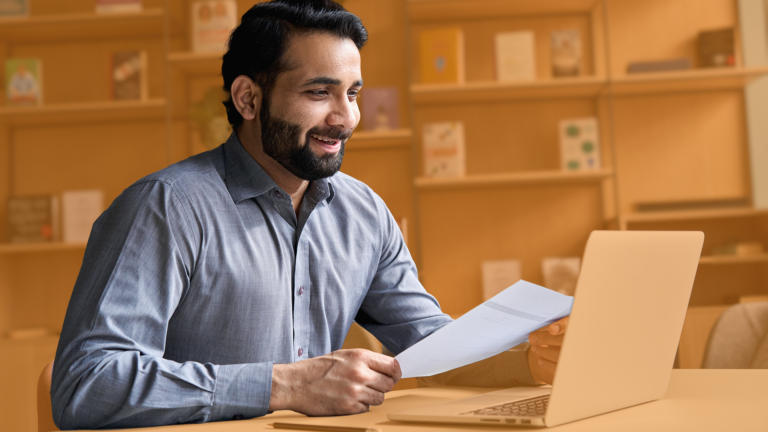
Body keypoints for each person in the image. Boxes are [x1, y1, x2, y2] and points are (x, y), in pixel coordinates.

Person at [50, 0, 569, 429]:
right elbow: (86, 384)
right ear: (248, 98)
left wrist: (531, 361)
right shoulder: (164, 207)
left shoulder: (363, 212)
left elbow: (429, 347)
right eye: (319, 93)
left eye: (352, 93)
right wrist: (287, 385)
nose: (345, 118)